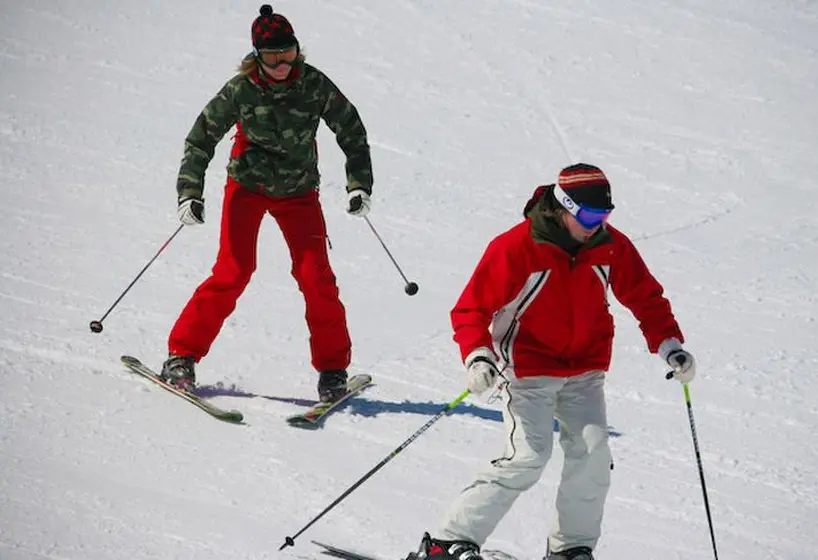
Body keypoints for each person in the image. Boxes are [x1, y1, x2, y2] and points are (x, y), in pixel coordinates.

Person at [407, 164, 696, 560]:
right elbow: (470, 309)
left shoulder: (610, 245)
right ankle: (446, 543)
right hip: (528, 369)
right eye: (589, 216)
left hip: (585, 369)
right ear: (564, 208)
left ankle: (570, 549)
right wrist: (478, 355)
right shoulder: (517, 247)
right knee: (528, 457)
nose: (597, 225)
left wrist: (669, 345)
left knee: (593, 456)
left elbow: (645, 298)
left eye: (604, 215)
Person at [160, 4, 373, 403]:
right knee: (234, 271)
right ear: (256, 57)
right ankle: (181, 356)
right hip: (247, 187)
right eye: (272, 58)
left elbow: (352, 131)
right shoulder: (241, 89)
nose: (282, 65)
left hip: (298, 192)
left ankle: (332, 372)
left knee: (316, 277)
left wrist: (358, 185)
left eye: (288, 54)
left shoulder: (313, 84)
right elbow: (201, 138)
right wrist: (190, 192)